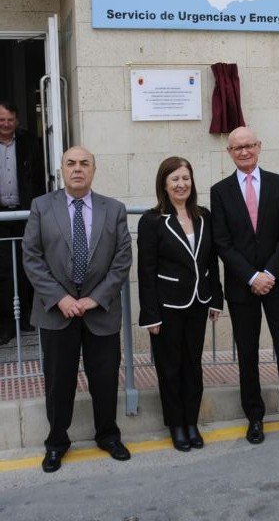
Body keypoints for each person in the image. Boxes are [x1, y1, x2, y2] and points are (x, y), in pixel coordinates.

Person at [22, 146, 132, 472]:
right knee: (59, 381)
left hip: (101, 310)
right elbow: (32, 257)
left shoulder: (114, 209)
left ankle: (108, 436)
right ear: (62, 169)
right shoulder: (42, 206)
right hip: (57, 312)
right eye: (71, 163)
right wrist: (61, 298)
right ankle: (56, 442)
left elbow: (122, 259)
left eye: (84, 163)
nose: (78, 169)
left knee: (105, 378)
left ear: (94, 170)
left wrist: (96, 298)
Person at [210, 127, 279, 446]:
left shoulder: (278, 183)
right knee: (247, 354)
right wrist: (251, 276)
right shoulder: (220, 191)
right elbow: (222, 242)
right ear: (229, 152)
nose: (244, 151)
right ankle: (254, 418)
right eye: (237, 147)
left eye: (249, 145)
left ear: (259, 147)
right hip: (242, 286)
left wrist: (269, 272)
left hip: (277, 283)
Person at [138, 156, 223, 452]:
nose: (181, 184)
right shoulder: (151, 220)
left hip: (199, 302)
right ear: (164, 183)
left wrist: (216, 299)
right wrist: (150, 315)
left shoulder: (203, 215)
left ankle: (191, 422)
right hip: (167, 307)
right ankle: (176, 425)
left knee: (193, 366)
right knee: (170, 368)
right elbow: (145, 270)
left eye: (185, 178)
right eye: (174, 179)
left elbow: (212, 260)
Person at [0, 101, 45, 345]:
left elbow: (38, 177)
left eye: (10, 120)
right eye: (1, 120)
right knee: (3, 270)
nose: (5, 125)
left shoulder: (28, 142)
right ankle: (7, 324)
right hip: (0, 218)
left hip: (24, 214)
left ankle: (27, 316)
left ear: (16, 120)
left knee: (27, 265)